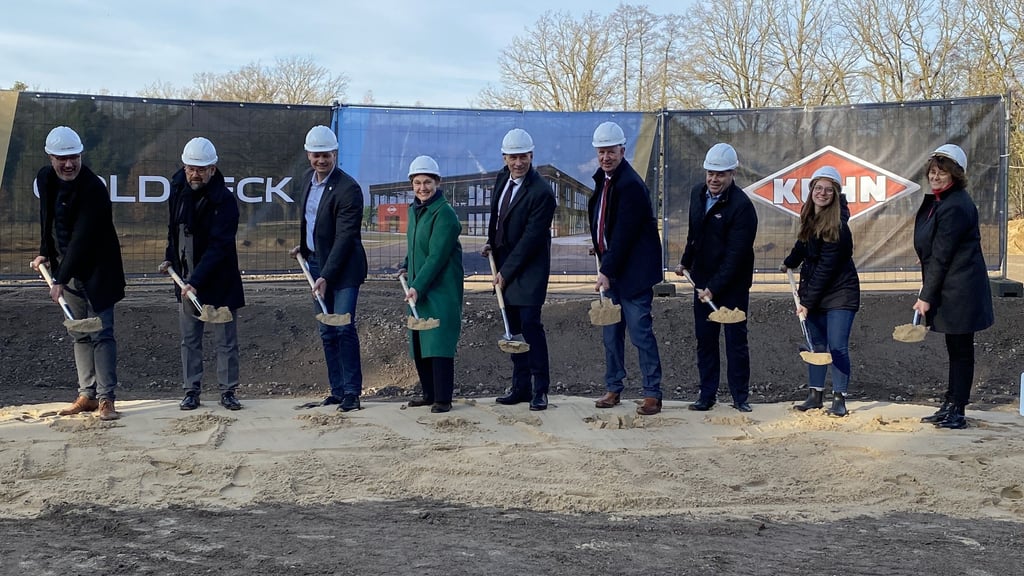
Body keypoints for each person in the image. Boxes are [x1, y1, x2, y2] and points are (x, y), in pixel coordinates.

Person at [31, 126, 125, 421]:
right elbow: (46, 218)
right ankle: (87, 395)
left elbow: (82, 238)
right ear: (50, 157)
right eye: (61, 158)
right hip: (67, 269)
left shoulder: (93, 188)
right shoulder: (45, 179)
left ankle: (106, 398)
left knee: (102, 333)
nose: (68, 164)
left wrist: (58, 280)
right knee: (79, 333)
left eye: (74, 157)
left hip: (99, 270)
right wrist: (45, 251)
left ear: (81, 155)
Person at [159, 137, 246, 411]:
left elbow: (219, 246)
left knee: (225, 341)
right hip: (186, 279)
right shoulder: (177, 189)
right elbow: (174, 230)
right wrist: (170, 258)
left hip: (219, 281)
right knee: (190, 339)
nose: (195, 174)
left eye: (201, 169)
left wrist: (196, 282)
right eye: (190, 168)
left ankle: (228, 391)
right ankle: (191, 391)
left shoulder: (225, 202)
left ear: (213, 168)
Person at [913, 144, 994, 429]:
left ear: (955, 176)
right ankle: (950, 403)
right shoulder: (942, 202)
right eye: (933, 172)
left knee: (961, 350)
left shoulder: (956, 205)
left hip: (962, 291)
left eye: (942, 173)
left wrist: (926, 295)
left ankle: (957, 409)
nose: (935, 177)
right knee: (955, 348)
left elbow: (942, 255)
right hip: (952, 289)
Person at [588, 122, 665, 416]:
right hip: (613, 268)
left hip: (632, 274)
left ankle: (652, 393)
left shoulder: (630, 185)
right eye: (601, 151)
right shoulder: (604, 180)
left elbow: (624, 234)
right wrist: (599, 245)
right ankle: (613, 387)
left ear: (623, 150)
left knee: (640, 333)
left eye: (611, 151)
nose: (606, 156)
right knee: (611, 333)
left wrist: (607, 268)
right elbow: (605, 224)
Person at [290, 125, 367, 412]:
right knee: (326, 331)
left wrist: (326, 275)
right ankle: (336, 390)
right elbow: (311, 220)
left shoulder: (348, 189)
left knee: (343, 327)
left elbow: (345, 237)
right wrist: (304, 246)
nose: (321, 160)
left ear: (334, 154)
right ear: (308, 155)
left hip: (343, 269)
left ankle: (351, 392)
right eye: (316, 155)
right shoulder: (307, 181)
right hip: (315, 262)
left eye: (326, 155)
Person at [676, 143, 757, 412]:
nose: (714, 179)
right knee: (705, 340)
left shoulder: (742, 207)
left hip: (732, 286)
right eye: (710, 172)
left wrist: (714, 288)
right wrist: (686, 262)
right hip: (702, 281)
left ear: (732, 174)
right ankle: (707, 395)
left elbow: (736, 255)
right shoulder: (697, 195)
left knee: (735, 342)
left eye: (720, 174)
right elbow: (694, 235)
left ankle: (739, 397)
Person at [481, 129, 556, 411]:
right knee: (512, 329)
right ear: (505, 158)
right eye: (513, 157)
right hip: (506, 267)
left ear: (531, 156)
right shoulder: (502, 178)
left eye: (523, 157)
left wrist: (506, 271)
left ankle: (541, 389)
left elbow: (530, 240)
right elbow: (498, 217)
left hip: (529, 270)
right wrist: (491, 242)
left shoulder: (541, 193)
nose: (518, 163)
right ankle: (521, 387)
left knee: (530, 327)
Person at [781, 166, 860, 417]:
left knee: (836, 346)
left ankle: (839, 397)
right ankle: (815, 395)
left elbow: (826, 269)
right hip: (816, 291)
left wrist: (806, 302)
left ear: (835, 194)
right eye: (818, 188)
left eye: (828, 189)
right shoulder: (811, 216)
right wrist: (790, 261)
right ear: (812, 190)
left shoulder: (837, 225)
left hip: (840, 294)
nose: (822, 193)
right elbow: (804, 244)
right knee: (815, 346)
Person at [398, 156, 464, 413]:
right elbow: (416, 246)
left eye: (427, 182)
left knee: (438, 341)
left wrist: (418, 286)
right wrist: (406, 264)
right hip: (419, 287)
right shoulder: (415, 211)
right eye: (417, 182)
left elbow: (437, 256)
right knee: (420, 338)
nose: (422, 187)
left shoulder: (444, 214)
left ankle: (443, 398)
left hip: (440, 289)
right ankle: (428, 393)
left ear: (437, 182)